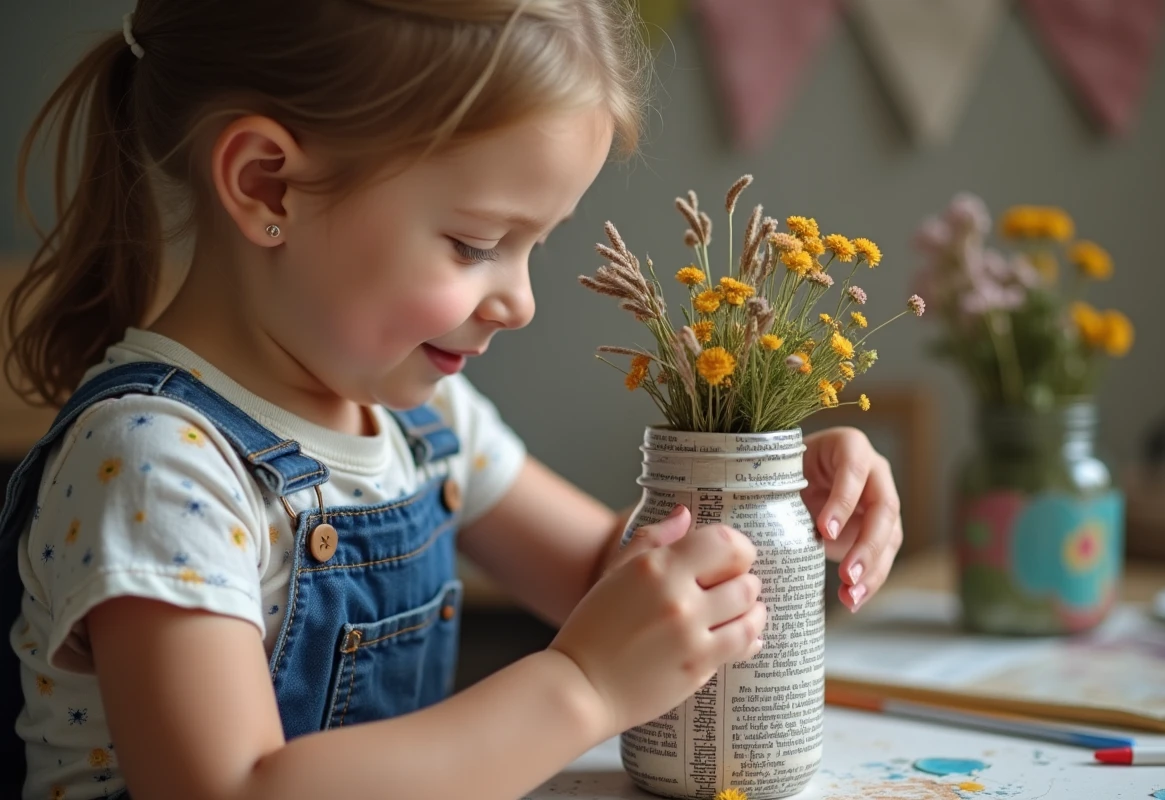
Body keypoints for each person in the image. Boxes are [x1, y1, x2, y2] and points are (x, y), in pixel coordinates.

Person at [0, 3, 904, 798]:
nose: (519, 301)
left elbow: (612, 576)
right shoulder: (161, 465)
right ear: (267, 183)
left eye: (532, 246)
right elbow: (232, 790)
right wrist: (582, 688)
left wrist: (767, 495)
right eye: (477, 243)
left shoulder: (429, 427)